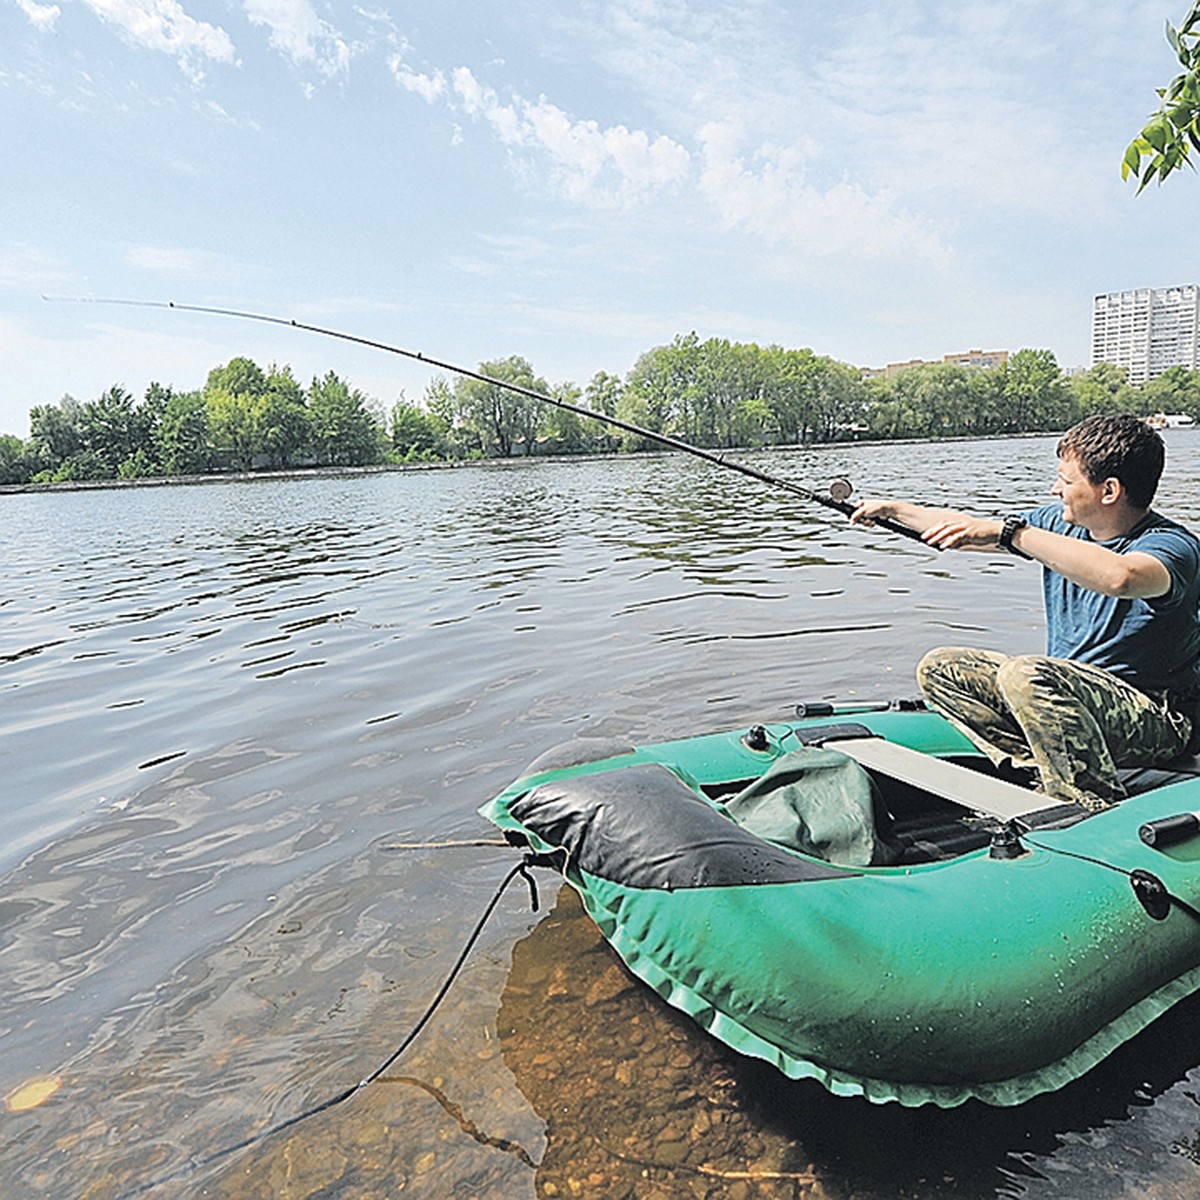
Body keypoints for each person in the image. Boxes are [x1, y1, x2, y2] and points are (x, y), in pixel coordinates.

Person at [851, 413, 1200, 811]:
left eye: (1066, 481)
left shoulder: (1173, 546)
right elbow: (966, 529)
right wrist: (893, 510)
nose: (1056, 489)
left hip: (1158, 717)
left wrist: (1014, 534)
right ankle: (1036, 769)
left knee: (1028, 673)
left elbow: (1121, 576)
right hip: (1075, 698)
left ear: (1109, 491)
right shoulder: (1056, 525)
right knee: (941, 668)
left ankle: (1088, 803)